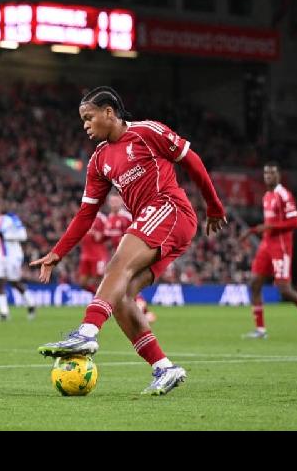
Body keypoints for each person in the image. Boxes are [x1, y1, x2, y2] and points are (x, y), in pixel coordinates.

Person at [32, 86, 227, 396]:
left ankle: (86, 331)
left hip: (170, 208)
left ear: (109, 112)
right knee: (121, 298)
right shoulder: (98, 161)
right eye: (82, 120)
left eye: (89, 117)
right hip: (157, 222)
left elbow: (192, 161)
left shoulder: (147, 132)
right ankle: (164, 367)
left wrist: (214, 206)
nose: (85, 125)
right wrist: (58, 253)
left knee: (117, 265)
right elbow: (86, 213)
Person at [240, 162, 297, 339]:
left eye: (271, 174)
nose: (268, 177)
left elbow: (295, 222)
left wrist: (270, 226)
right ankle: (261, 330)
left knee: (284, 288)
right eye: (265, 174)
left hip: (281, 246)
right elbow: (267, 226)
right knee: (254, 282)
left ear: (278, 176)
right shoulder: (267, 196)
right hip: (266, 245)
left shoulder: (284, 195)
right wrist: (251, 231)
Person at [105, 194, 156, 322]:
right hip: (116, 258)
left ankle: (141, 310)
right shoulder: (109, 219)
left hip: (129, 256)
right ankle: (144, 312)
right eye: (112, 201)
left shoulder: (127, 218)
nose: (114, 203)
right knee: (125, 285)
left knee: (126, 284)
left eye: (116, 201)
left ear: (121, 202)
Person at [0, 211, 36, 321]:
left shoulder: (14, 219)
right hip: (0, 255)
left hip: (13, 256)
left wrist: (5, 236)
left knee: (14, 282)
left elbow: (23, 236)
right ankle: (4, 313)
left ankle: (31, 304)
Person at [77, 211, 109, 295]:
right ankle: (98, 297)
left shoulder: (102, 218)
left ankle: (103, 301)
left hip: (98, 255)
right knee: (82, 283)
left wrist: (101, 235)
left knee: (98, 281)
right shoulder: (82, 216)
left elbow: (109, 232)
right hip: (85, 255)